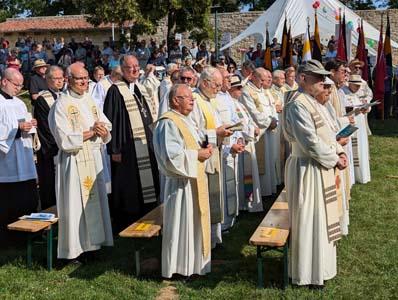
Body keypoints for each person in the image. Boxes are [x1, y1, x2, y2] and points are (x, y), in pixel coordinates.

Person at [282, 60, 347, 287]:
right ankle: (307, 274)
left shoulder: (313, 102)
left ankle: (322, 269)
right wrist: (334, 159)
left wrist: (339, 150)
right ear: (302, 78)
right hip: (306, 169)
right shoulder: (297, 104)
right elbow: (309, 141)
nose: (322, 81)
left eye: (322, 77)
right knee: (309, 220)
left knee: (321, 219)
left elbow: (328, 132)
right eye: (317, 77)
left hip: (320, 165)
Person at [48, 62, 113, 260]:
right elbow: (64, 139)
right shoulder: (61, 105)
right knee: (76, 205)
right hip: (74, 161)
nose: (84, 81)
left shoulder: (89, 100)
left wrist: (103, 130)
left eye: (86, 78)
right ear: (68, 80)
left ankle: (95, 244)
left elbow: (105, 122)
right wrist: (92, 132)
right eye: (79, 78)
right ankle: (77, 249)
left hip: (93, 158)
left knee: (96, 201)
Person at [154, 84, 212, 278]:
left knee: (194, 225)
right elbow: (171, 157)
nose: (192, 100)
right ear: (175, 100)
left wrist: (206, 145)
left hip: (194, 181)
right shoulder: (168, 122)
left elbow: (195, 142)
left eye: (192, 98)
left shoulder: (185, 120)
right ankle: (180, 268)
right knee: (182, 226)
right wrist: (198, 155)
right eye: (187, 97)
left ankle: (195, 265)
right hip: (180, 185)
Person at [103, 55, 160, 230]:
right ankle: (127, 219)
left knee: (146, 181)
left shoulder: (140, 88)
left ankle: (147, 213)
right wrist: (115, 149)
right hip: (126, 147)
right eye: (130, 67)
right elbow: (111, 120)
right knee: (128, 183)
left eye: (136, 67)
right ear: (122, 69)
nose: (134, 70)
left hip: (144, 144)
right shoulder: (115, 91)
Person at [190, 66, 233, 248]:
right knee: (205, 198)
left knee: (214, 197)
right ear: (205, 83)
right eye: (216, 85)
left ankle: (214, 239)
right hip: (202, 157)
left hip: (214, 154)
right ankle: (205, 240)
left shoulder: (210, 100)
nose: (218, 88)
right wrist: (217, 132)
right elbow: (192, 132)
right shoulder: (194, 100)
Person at [0, 68, 38, 244]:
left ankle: (28, 233)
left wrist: (31, 126)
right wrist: (17, 128)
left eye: (21, 85)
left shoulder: (20, 103)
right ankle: (8, 237)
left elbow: (27, 125)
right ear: (4, 81)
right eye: (16, 85)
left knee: (27, 198)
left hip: (23, 156)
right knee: (9, 202)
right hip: (6, 162)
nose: (18, 88)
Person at [214, 68, 245, 230]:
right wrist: (229, 144)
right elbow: (215, 126)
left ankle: (231, 218)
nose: (229, 80)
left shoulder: (227, 97)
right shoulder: (213, 99)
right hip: (222, 149)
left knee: (232, 182)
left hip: (233, 146)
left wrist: (239, 139)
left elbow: (235, 120)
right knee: (222, 187)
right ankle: (223, 223)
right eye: (226, 77)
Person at [240, 68, 278, 197]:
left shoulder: (265, 91)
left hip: (269, 131)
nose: (263, 82)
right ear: (253, 77)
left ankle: (269, 189)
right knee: (260, 163)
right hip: (259, 132)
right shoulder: (247, 91)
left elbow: (272, 107)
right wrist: (269, 122)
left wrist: (274, 120)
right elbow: (253, 112)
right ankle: (261, 192)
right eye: (261, 79)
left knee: (270, 159)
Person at [228, 75, 263, 212]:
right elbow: (239, 125)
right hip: (241, 142)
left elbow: (248, 120)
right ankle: (243, 204)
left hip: (248, 142)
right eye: (238, 88)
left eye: (241, 87)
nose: (241, 90)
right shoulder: (231, 104)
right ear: (231, 89)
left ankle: (249, 202)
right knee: (242, 177)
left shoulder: (239, 103)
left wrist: (254, 127)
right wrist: (252, 130)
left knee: (249, 175)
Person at [34, 66, 64, 210]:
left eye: (61, 78)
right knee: (50, 185)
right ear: (47, 80)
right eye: (55, 78)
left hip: (64, 147)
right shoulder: (42, 99)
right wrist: (62, 142)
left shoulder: (65, 96)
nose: (59, 81)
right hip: (51, 149)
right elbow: (45, 128)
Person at [340, 75, 371, 184]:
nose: (358, 88)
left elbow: (364, 103)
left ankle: (362, 174)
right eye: (355, 85)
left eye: (359, 86)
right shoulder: (343, 93)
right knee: (353, 149)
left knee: (361, 148)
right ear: (350, 83)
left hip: (360, 124)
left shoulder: (357, 93)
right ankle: (353, 176)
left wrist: (367, 107)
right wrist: (357, 109)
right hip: (351, 123)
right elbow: (344, 110)